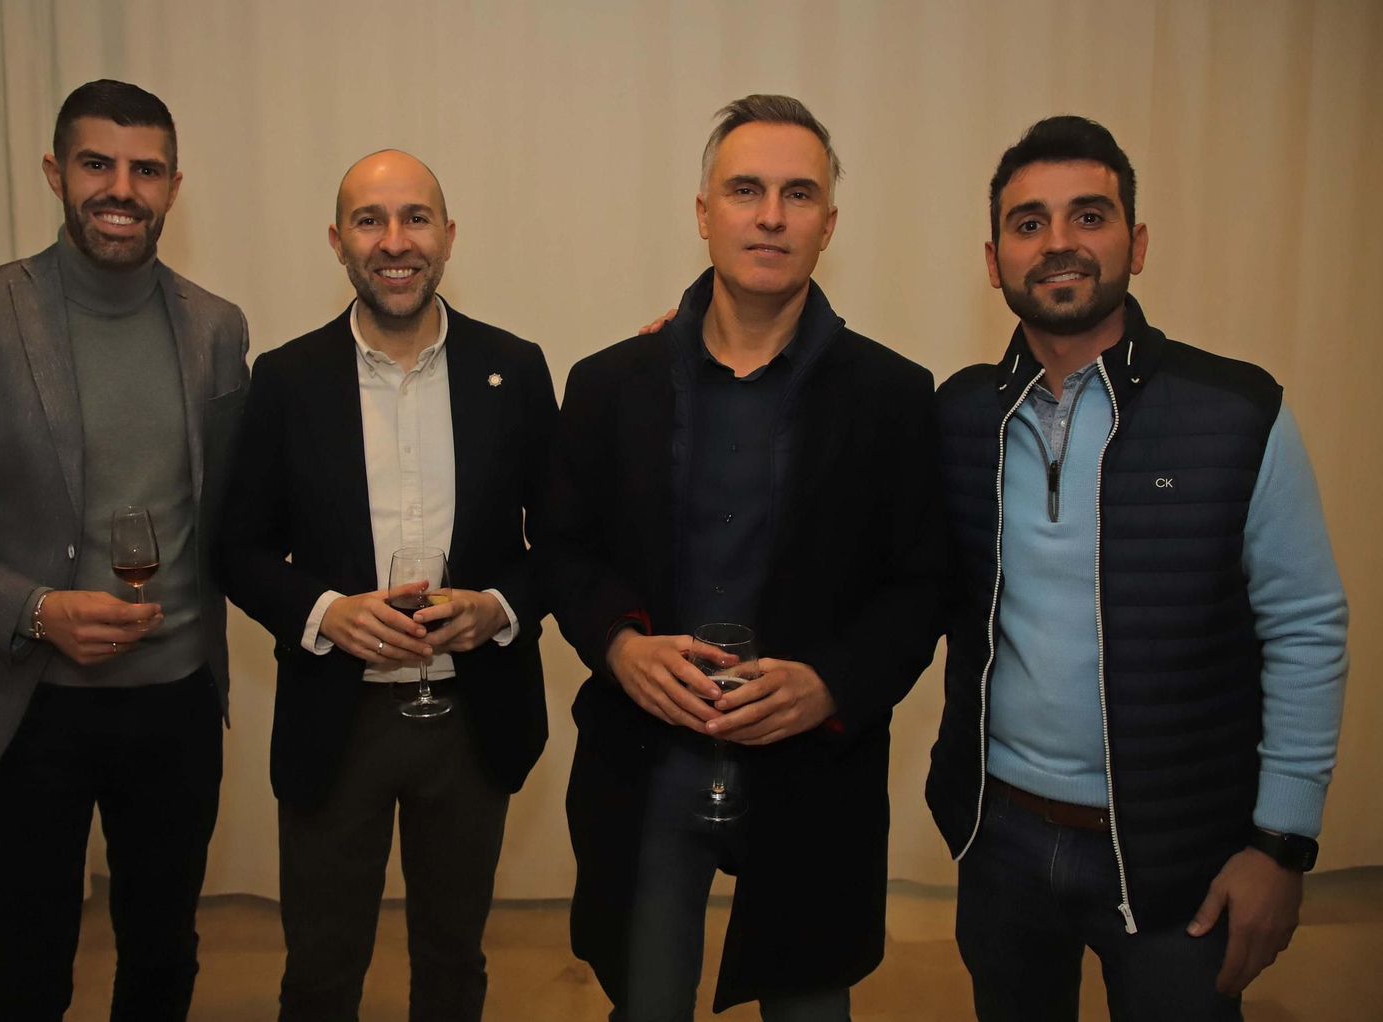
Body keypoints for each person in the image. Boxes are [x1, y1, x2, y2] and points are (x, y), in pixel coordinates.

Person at [925, 114, 1350, 1021]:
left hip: (1180, 857)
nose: (1060, 243)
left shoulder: (1237, 413)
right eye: (1029, 223)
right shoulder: (956, 417)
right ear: (994, 259)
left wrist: (1281, 844)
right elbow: (860, 528)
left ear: (1137, 242)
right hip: (996, 839)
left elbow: (1307, 627)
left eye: (1090, 215)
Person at [540, 94, 946, 1020]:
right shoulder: (608, 386)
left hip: (813, 777)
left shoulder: (893, 397)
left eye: (798, 194)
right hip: (648, 765)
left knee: (808, 1003)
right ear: (703, 212)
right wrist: (620, 645)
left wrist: (833, 682)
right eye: (746, 190)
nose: (771, 215)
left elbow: (921, 585)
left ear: (829, 223)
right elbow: (563, 548)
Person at [0, 79, 249, 1021]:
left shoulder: (216, 326)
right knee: (25, 965)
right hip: (28, 705)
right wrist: (36, 609)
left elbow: (239, 501)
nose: (121, 188)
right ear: (54, 172)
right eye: (96, 164)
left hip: (177, 706)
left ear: (173, 185)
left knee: (163, 953)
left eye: (145, 169)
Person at [219, 149, 556, 1021]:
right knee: (322, 972)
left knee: (453, 964)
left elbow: (564, 542)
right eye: (371, 220)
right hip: (340, 719)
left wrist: (499, 608)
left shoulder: (514, 370)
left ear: (448, 237)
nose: (394, 241)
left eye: (416, 218)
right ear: (337, 241)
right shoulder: (287, 380)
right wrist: (327, 612)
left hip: (471, 717)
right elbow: (238, 546)